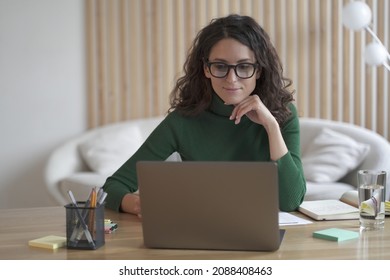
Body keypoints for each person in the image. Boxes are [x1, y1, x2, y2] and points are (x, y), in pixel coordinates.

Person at [102, 14, 306, 216]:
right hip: (199, 233)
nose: (232, 79)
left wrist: (271, 126)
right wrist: (140, 205)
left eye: (244, 67)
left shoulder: (282, 114)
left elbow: (290, 201)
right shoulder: (183, 121)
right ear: (206, 69)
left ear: (259, 70)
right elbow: (112, 188)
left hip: (264, 239)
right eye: (220, 66)